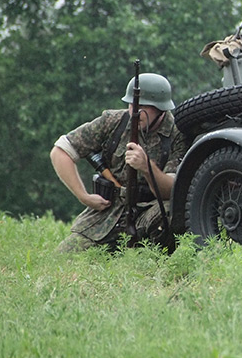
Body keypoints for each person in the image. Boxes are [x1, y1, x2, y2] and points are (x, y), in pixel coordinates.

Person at [51, 73, 187, 252]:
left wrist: (147, 167)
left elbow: (171, 190)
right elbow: (61, 151)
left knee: (173, 212)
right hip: (109, 214)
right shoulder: (114, 121)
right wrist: (83, 196)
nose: (135, 112)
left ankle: (152, 258)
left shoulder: (178, 135)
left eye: (143, 106)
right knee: (64, 256)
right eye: (132, 104)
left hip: (150, 212)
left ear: (161, 108)